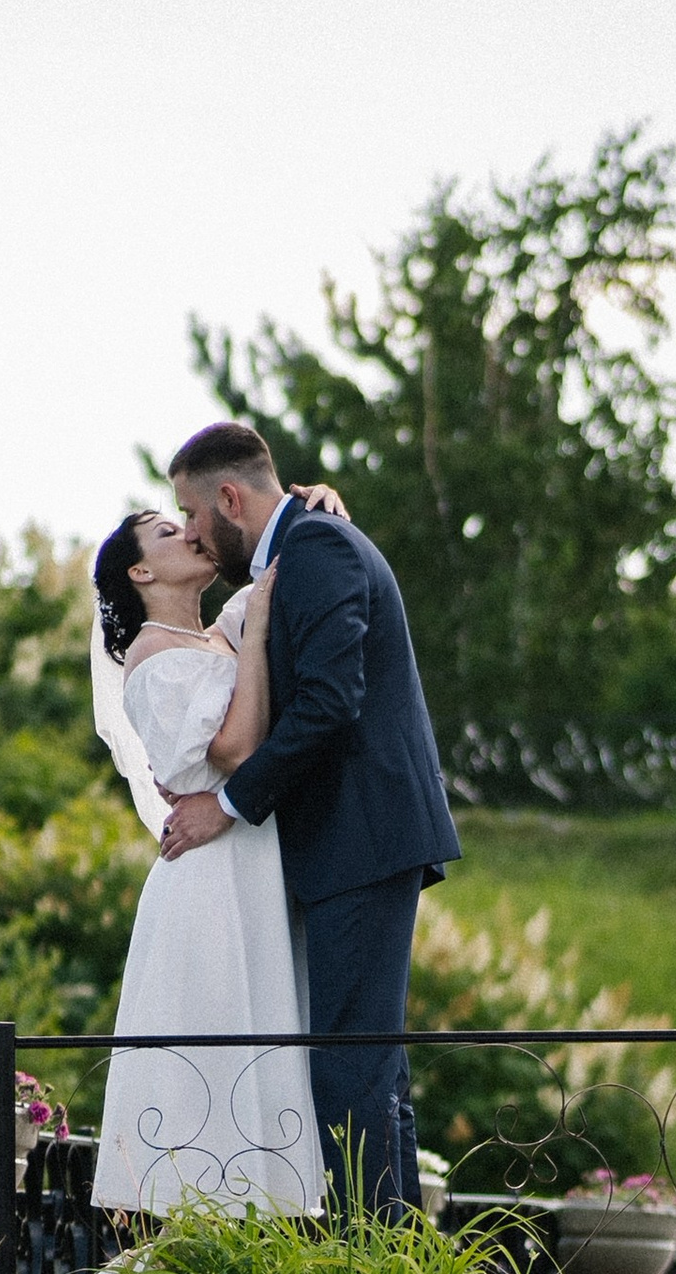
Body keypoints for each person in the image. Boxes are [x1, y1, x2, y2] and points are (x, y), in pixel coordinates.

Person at [162, 421, 460, 1217]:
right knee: (368, 1069)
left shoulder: (319, 549)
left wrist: (226, 805)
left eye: (190, 514)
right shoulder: (298, 554)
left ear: (229, 497)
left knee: (348, 1070)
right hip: (353, 844)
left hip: (362, 839)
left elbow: (332, 702)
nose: (192, 532)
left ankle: (369, 1269)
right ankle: (394, 1265)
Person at [88, 512, 319, 1216]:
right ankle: (204, 1241)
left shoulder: (208, 636)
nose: (189, 532)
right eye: (165, 532)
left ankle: (256, 1234)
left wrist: (314, 503)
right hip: (208, 881)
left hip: (248, 864)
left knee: (263, 1039)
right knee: (216, 1055)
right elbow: (239, 747)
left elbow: (274, 545)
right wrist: (254, 632)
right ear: (141, 572)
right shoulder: (153, 655)